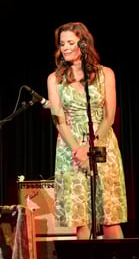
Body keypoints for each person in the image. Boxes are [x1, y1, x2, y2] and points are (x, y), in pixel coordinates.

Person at [46, 22, 127, 239]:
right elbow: (59, 120)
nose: (65, 47)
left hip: (102, 143)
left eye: (71, 42)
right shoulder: (55, 79)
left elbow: (109, 116)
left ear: (83, 43)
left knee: (109, 216)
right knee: (80, 220)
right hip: (70, 146)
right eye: (62, 44)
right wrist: (77, 149)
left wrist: (93, 145)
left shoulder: (105, 74)